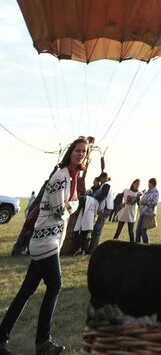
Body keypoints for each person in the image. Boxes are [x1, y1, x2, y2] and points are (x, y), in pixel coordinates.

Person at [0, 136, 88, 355]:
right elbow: (60, 211)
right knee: (55, 285)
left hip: (47, 240)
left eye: (84, 152)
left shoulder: (72, 176)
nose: (81, 154)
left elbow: (68, 205)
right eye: (78, 150)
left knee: (26, 291)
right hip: (45, 241)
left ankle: (1, 337)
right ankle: (43, 343)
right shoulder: (61, 176)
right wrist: (73, 205)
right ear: (70, 152)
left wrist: (72, 204)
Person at [72, 172, 110, 255]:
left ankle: (87, 249)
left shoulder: (102, 188)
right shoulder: (93, 189)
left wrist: (89, 196)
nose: (94, 182)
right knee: (84, 232)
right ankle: (84, 249)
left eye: (95, 181)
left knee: (89, 231)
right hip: (87, 210)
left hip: (91, 210)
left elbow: (100, 197)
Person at [135, 178, 159, 244]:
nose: (148, 185)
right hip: (142, 212)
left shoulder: (155, 192)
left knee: (143, 230)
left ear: (153, 184)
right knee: (138, 231)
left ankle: (146, 245)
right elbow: (140, 202)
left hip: (148, 214)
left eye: (149, 183)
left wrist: (146, 202)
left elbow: (155, 203)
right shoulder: (146, 192)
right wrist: (138, 198)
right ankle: (136, 246)